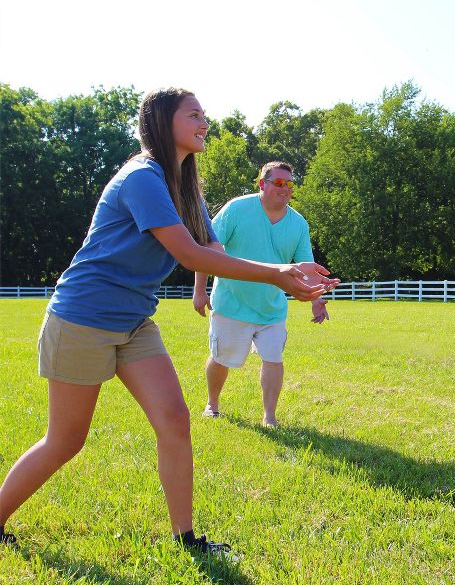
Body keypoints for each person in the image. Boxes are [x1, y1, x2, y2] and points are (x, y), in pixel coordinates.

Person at [0, 88, 332, 555]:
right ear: (162, 121)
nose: (204, 121)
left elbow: (214, 253)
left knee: (175, 420)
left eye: (204, 114)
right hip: (83, 318)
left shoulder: (185, 187)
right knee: (66, 440)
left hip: (135, 321)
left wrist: (289, 275)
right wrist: (277, 275)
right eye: (193, 114)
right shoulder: (142, 177)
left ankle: (186, 539)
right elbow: (188, 254)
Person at [193, 161, 333, 428]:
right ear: (262, 184)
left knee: (273, 358)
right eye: (279, 183)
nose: (286, 189)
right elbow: (206, 249)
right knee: (222, 358)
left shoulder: (298, 223)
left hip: (272, 307)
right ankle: (213, 404)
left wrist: (317, 299)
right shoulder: (237, 209)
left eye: (290, 184)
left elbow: (306, 265)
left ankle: (270, 417)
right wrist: (200, 291)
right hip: (232, 304)